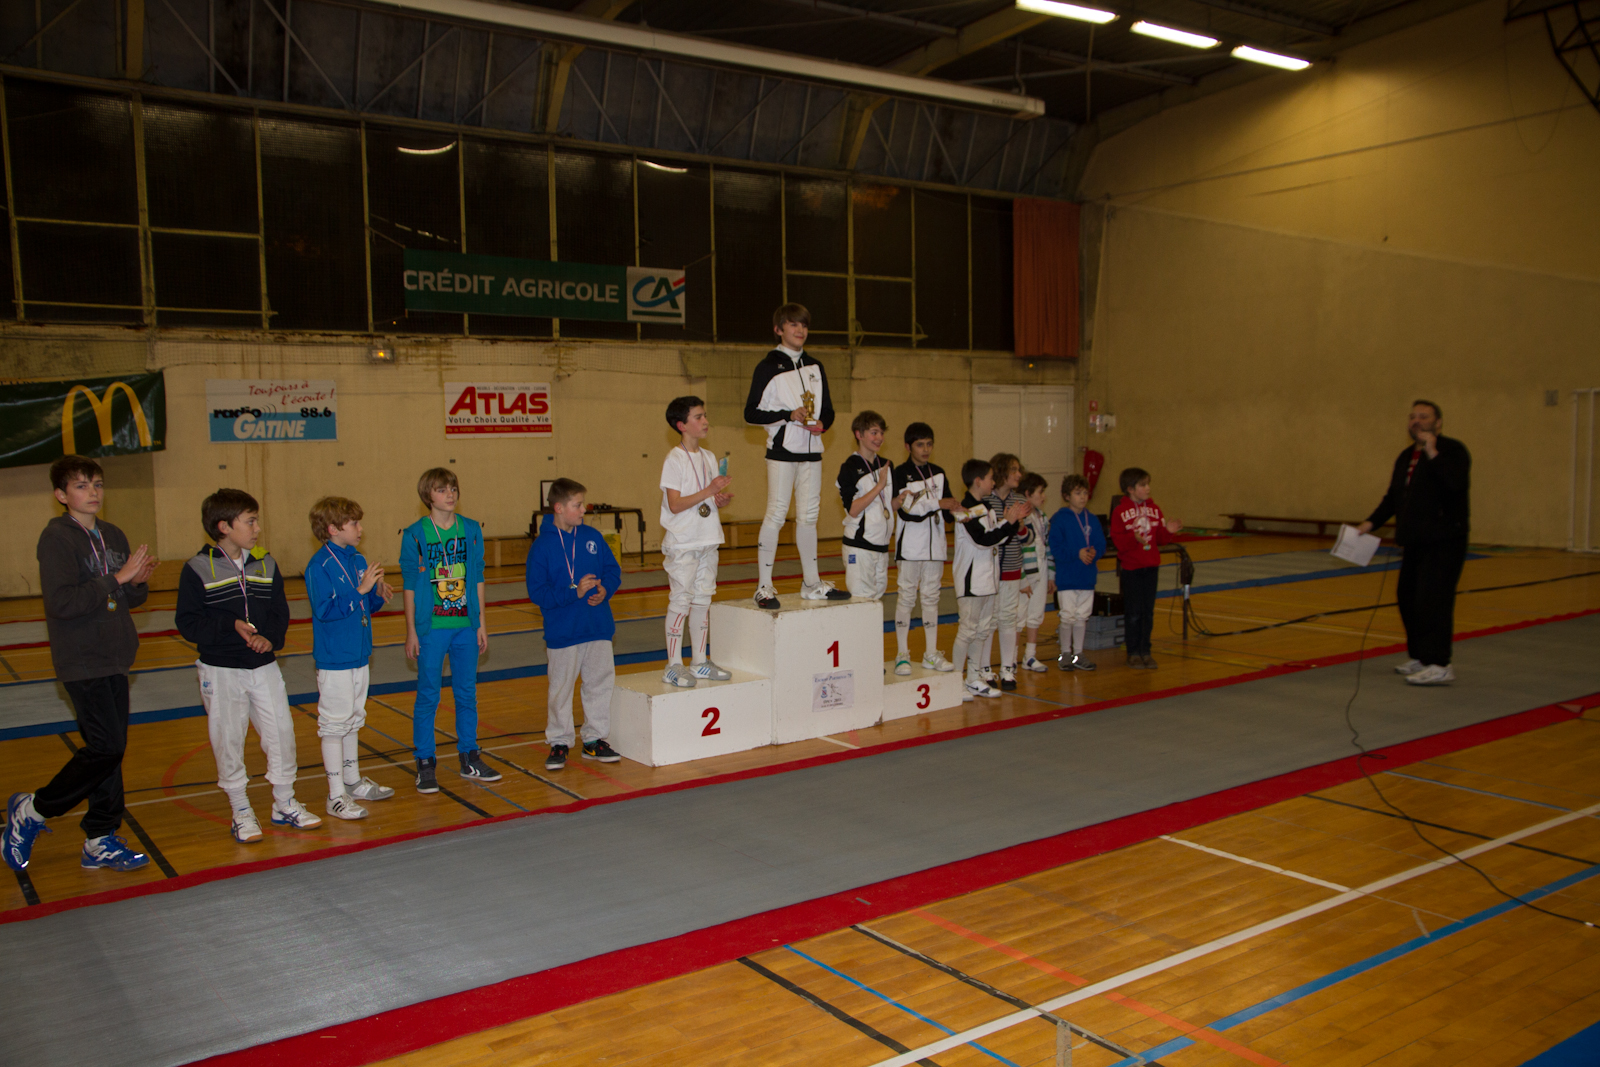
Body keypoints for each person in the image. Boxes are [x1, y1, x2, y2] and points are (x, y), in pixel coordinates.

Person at [3, 456, 158, 873]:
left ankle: (100, 838)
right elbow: (62, 602)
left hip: (116, 656)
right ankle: (33, 810)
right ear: (61, 495)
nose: (93, 492)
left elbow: (129, 598)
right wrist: (118, 578)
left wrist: (137, 582)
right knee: (106, 747)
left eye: (97, 484)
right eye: (81, 485)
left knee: (109, 752)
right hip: (81, 659)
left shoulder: (113, 534)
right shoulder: (56, 538)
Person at [175, 488, 321, 840]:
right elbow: (189, 623)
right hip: (221, 669)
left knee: (281, 733)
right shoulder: (197, 569)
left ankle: (284, 802)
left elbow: (279, 611)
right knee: (228, 738)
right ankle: (240, 809)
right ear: (224, 526)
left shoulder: (265, 563)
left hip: (263, 666)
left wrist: (270, 638)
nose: (257, 528)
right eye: (250, 521)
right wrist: (231, 626)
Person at [1356, 400, 1472, 686]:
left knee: (1434, 600)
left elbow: (1455, 484)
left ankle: (1440, 663)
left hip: (1444, 541)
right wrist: (1369, 524)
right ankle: (1421, 656)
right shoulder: (1406, 456)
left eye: (1423, 416)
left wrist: (1433, 452)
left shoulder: (1453, 451)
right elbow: (1394, 498)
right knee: (1408, 598)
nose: (1416, 421)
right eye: (1412, 416)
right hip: (1415, 541)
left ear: (1438, 422)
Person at [743, 302, 850, 608]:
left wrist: (822, 424)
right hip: (781, 452)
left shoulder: (815, 366)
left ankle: (812, 584)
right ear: (779, 330)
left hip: (812, 452)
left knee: (809, 518)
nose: (800, 330)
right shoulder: (767, 367)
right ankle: (764, 587)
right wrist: (787, 415)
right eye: (793, 324)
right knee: (776, 514)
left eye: (803, 325)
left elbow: (828, 410)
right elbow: (751, 413)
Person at [401, 468, 500, 793]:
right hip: (432, 628)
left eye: (453, 488)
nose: (450, 494)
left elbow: (478, 576)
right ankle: (425, 762)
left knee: (467, 693)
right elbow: (410, 585)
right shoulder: (415, 534)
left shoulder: (470, 529)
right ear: (428, 495)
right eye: (442, 489)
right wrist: (411, 630)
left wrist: (481, 622)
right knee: (428, 694)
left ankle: (470, 756)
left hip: (465, 627)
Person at [305, 496, 397, 820]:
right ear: (333, 529)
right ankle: (335, 795)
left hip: (359, 655)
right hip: (335, 658)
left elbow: (364, 606)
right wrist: (359, 591)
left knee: (353, 718)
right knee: (334, 724)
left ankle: (352, 780)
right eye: (354, 523)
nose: (360, 528)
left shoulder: (357, 559)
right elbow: (324, 610)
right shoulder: (319, 566)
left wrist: (376, 594)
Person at [526, 478, 622, 771]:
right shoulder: (541, 547)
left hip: (597, 626)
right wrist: (573, 593)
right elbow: (537, 592)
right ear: (558, 507)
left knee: (599, 684)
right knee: (561, 688)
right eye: (577, 505)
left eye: (583, 504)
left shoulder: (592, 536)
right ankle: (559, 741)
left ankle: (594, 738)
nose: (583, 510)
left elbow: (612, 570)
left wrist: (605, 589)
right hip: (563, 632)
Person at [660, 396, 735, 688]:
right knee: (681, 600)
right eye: (698, 417)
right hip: (683, 542)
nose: (705, 421)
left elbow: (707, 499)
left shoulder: (709, 456)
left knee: (703, 599)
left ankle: (700, 661)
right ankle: (673, 665)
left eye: (705, 415)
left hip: (708, 537)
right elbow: (675, 504)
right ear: (682, 425)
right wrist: (709, 491)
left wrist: (719, 499)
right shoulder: (674, 459)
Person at [951, 459, 1030, 701]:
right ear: (978, 481)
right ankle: (955, 680)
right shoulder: (964, 509)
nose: (993, 482)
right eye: (990, 478)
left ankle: (973, 677)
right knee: (967, 630)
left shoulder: (987, 508)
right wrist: (1009, 523)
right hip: (971, 581)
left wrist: (1009, 523)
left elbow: (999, 539)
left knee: (983, 630)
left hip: (989, 581)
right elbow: (982, 540)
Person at [891, 422, 961, 676]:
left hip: (936, 549)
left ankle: (931, 653)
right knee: (907, 597)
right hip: (910, 548)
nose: (926, 449)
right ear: (908, 446)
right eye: (920, 445)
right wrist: (937, 503)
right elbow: (908, 511)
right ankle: (902, 655)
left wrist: (960, 511)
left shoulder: (939, 473)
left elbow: (948, 509)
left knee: (931, 598)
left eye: (929, 444)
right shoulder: (900, 473)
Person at [1108, 468, 1181, 669]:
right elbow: (1118, 541)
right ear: (1130, 489)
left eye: (1148, 484)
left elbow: (1160, 539)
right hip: (1132, 569)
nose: (1148, 488)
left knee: (1148, 612)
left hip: (1151, 567)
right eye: (1143, 485)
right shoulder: (1120, 512)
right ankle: (1133, 652)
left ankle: (1145, 651)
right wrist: (1133, 538)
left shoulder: (1154, 509)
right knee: (1133, 612)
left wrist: (1168, 532)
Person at [837, 410, 902, 603]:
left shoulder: (886, 465)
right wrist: (879, 486)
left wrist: (902, 500)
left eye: (881, 433)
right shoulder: (849, 467)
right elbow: (853, 509)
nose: (879, 438)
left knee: (875, 603)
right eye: (874, 433)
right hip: (859, 547)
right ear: (859, 434)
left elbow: (887, 507)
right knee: (861, 602)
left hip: (881, 547)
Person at [981, 453, 1029, 690]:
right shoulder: (985, 500)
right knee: (988, 620)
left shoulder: (1019, 500)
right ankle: (984, 668)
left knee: (1009, 617)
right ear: (1001, 472)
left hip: (1011, 567)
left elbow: (1027, 538)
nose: (1018, 474)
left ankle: (1008, 669)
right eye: (1013, 470)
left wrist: (1019, 527)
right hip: (989, 570)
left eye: (1019, 470)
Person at [1050, 474, 1105, 672]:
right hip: (1067, 577)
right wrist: (1077, 553)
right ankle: (1065, 653)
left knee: (1082, 616)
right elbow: (1055, 548)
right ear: (1067, 496)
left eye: (1085, 493)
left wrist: (1094, 553)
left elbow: (1101, 544)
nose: (1083, 497)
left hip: (1087, 577)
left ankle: (1078, 653)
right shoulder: (1059, 519)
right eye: (1077, 493)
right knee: (1067, 616)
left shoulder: (1093, 519)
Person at [1015, 472, 1055, 674]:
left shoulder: (1042, 516)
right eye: (1040, 492)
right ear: (1028, 494)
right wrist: (1022, 578)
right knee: (1018, 616)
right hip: (1025, 574)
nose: (1044, 496)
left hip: (1041, 570)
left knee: (1036, 613)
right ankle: (1011, 658)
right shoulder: (1019, 517)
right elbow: (1017, 550)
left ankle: (1029, 656)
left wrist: (1051, 575)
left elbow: (1047, 546)